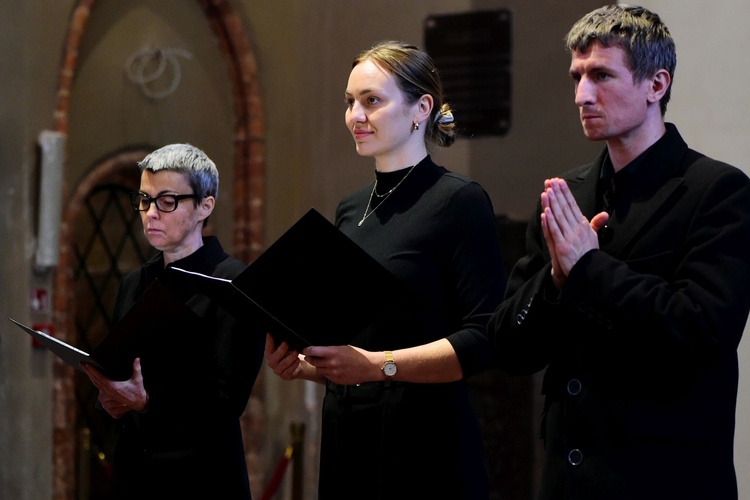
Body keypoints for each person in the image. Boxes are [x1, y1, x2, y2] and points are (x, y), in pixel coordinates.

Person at [489, 4, 750, 500]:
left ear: (656, 85)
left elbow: (703, 330)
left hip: (664, 480)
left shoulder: (715, 191)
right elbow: (509, 347)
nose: (582, 95)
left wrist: (588, 267)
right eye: (577, 76)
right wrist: (555, 282)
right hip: (568, 482)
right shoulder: (567, 192)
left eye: (601, 75)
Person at [264, 40, 506, 499]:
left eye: (372, 101)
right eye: (350, 102)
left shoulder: (459, 201)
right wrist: (305, 365)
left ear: (421, 108)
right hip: (348, 434)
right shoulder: (349, 207)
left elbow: (483, 340)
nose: (356, 115)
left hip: (423, 441)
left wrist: (378, 366)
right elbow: (353, 348)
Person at [82, 144, 265, 499]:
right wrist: (107, 400)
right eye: (144, 200)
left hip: (202, 477)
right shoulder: (134, 283)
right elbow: (120, 368)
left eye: (167, 201)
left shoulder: (234, 284)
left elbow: (227, 400)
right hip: (135, 474)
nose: (150, 213)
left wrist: (148, 401)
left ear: (204, 207)